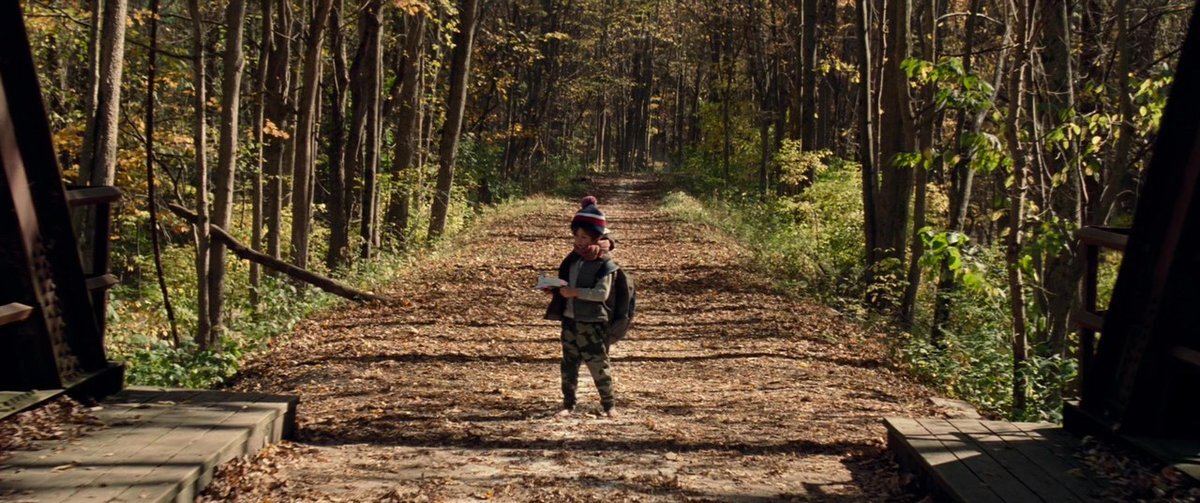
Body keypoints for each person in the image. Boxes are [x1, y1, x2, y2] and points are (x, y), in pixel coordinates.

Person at [544, 196, 619, 418]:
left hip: (592, 323)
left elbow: (601, 294)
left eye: (584, 237)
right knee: (568, 364)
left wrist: (576, 293)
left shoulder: (604, 264)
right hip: (570, 320)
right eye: (576, 235)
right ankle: (568, 403)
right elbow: (566, 283)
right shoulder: (572, 260)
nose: (578, 241)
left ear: (596, 238)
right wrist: (555, 288)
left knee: (599, 365)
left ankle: (609, 405)